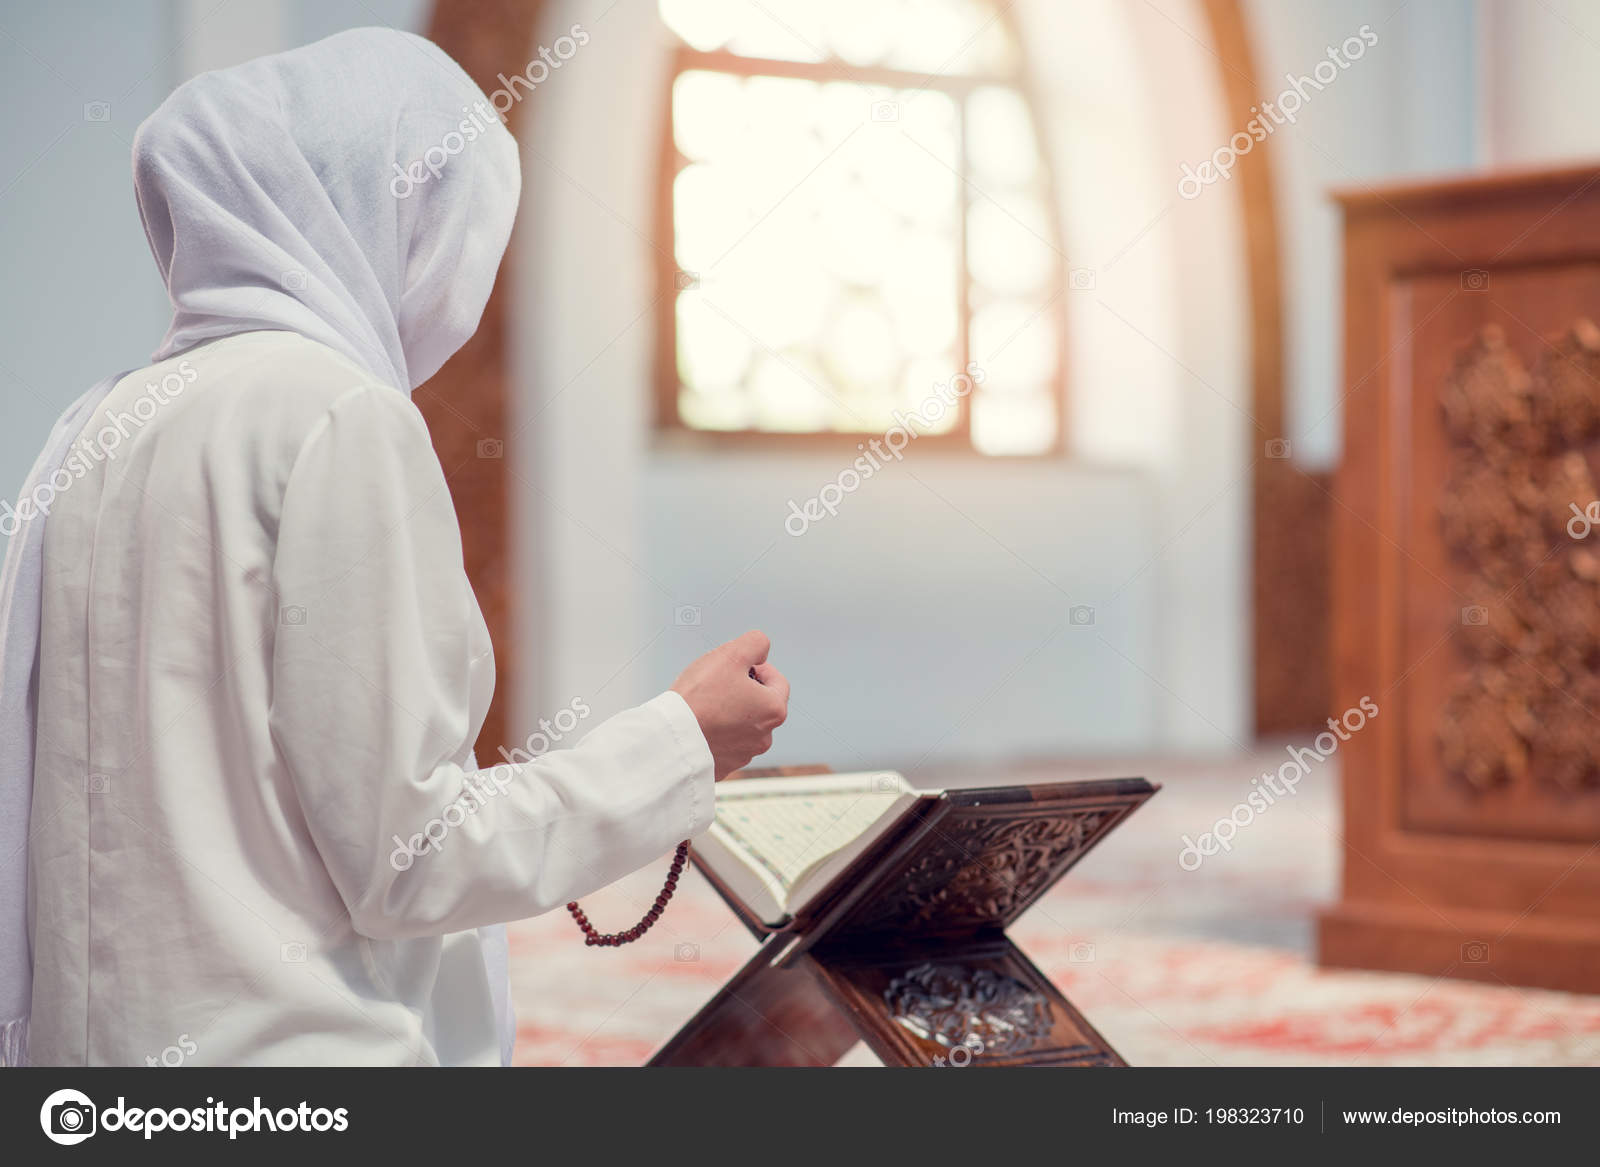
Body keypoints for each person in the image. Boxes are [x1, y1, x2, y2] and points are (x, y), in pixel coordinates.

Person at [0, 27, 788, 1067]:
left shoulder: (91, 427)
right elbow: (415, 860)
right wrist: (684, 738)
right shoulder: (337, 416)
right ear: (399, 213)